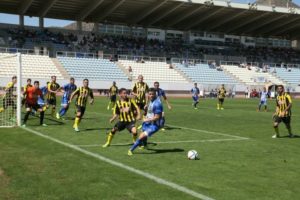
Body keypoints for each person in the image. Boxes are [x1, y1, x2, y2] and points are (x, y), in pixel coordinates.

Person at [128, 88, 163, 156]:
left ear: (155, 94)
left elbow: (157, 117)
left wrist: (147, 119)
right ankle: (145, 145)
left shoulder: (157, 104)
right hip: (148, 122)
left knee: (141, 136)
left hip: (154, 125)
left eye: (153, 94)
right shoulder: (151, 101)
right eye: (150, 94)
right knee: (143, 134)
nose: (151, 95)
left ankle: (131, 150)